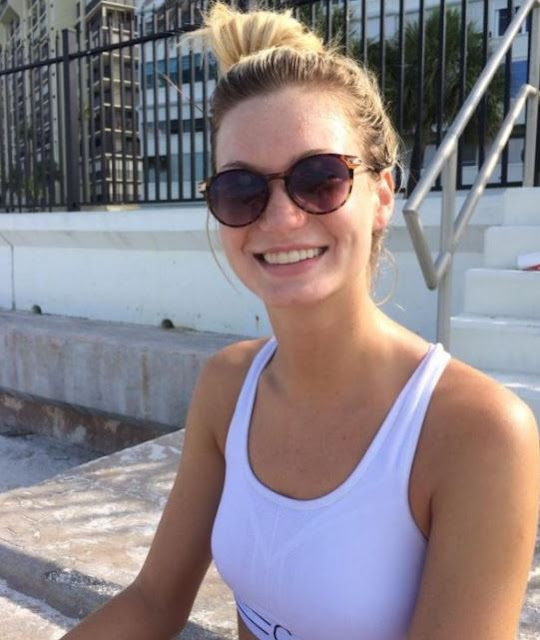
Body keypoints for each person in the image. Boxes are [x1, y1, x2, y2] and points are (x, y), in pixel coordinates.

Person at [62, 4, 539, 639]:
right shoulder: (228, 387)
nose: (282, 218)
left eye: (319, 179)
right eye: (242, 189)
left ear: (381, 195)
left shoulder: (476, 433)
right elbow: (153, 602)